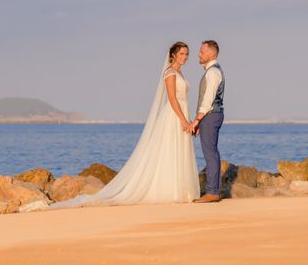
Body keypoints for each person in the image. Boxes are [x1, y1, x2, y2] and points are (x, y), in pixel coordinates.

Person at [50, 41, 200, 208]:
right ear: (173, 54)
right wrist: (183, 120)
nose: (185, 57)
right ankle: (171, 190)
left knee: (179, 151)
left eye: (186, 54)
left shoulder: (180, 73)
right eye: (182, 54)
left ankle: (181, 189)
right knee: (170, 150)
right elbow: (172, 99)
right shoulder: (170, 72)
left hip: (182, 113)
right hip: (174, 116)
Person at [191, 40, 225, 203]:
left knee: (210, 153)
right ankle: (214, 190)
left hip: (211, 115)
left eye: (202, 51)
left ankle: (212, 192)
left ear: (211, 54)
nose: (199, 54)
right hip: (212, 115)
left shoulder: (212, 73)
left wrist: (197, 119)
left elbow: (208, 99)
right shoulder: (213, 71)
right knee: (212, 152)